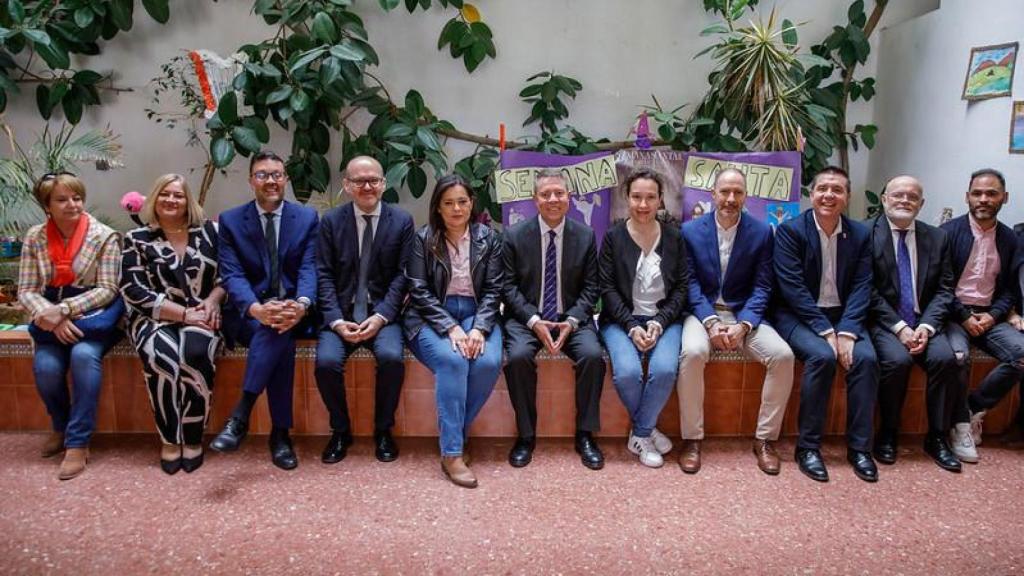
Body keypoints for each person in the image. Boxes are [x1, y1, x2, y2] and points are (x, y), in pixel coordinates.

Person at [678, 168, 794, 475]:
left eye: (737, 193)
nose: (731, 199)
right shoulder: (689, 232)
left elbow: (764, 285)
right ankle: (691, 439)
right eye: (725, 192)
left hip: (744, 314)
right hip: (702, 312)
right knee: (692, 353)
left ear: (746, 196)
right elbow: (689, 284)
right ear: (713, 194)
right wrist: (711, 323)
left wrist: (744, 325)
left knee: (782, 356)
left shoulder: (761, 232)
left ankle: (765, 440)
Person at [209, 151, 319, 470]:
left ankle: (241, 415)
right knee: (274, 333)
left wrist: (301, 305)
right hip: (251, 314)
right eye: (262, 175)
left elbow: (310, 268)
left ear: (285, 179)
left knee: (278, 330)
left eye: (276, 175)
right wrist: (257, 309)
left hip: (295, 311)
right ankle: (280, 435)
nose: (270, 181)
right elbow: (231, 273)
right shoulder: (230, 221)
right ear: (251, 181)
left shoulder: (307, 218)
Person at [773, 166, 878, 483]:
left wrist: (846, 331)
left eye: (837, 190)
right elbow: (792, 289)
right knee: (822, 356)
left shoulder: (860, 234)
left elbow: (863, 285)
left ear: (848, 197)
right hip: (796, 315)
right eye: (823, 188)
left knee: (867, 359)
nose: (829, 195)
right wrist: (826, 331)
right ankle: (808, 448)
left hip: (843, 317)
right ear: (811, 193)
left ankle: (860, 449)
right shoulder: (791, 231)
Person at [17, 172, 123, 480]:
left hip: (92, 317)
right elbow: (26, 289)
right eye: (62, 200)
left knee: (82, 357)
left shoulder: (104, 235)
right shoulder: (35, 237)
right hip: (48, 316)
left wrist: (65, 310)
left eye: (76, 198)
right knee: (47, 368)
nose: (72, 205)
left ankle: (78, 442)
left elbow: (108, 288)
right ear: (47, 205)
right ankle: (60, 427)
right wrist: (50, 315)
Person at [120, 174, 226, 475]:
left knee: (195, 353)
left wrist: (214, 300)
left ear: (187, 200)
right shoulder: (136, 239)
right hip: (154, 317)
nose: (171, 200)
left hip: (204, 314)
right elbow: (133, 290)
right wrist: (182, 314)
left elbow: (227, 276)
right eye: (165, 194)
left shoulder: (209, 232)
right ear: (155, 198)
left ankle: (193, 437)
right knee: (161, 356)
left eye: (178, 195)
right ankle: (169, 439)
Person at [404, 175, 504, 487]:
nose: (456, 208)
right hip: (431, 315)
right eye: (448, 203)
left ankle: (455, 433)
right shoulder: (423, 239)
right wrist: (449, 327)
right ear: (437, 208)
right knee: (453, 361)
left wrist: (479, 328)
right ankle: (451, 453)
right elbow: (418, 290)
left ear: (472, 204)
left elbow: (494, 289)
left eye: (462, 201)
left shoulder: (489, 238)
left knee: (487, 362)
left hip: (477, 312)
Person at [502, 168, 606, 470]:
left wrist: (571, 320)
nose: (552, 199)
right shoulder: (514, 236)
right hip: (526, 319)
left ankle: (585, 435)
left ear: (569, 199)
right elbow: (507, 287)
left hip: (571, 319)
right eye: (545, 194)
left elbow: (592, 287)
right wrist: (534, 320)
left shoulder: (585, 236)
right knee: (518, 357)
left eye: (559, 193)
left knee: (592, 356)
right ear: (535, 200)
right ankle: (526, 436)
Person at [314, 156, 414, 464]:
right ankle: (341, 431)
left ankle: (383, 431)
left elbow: (403, 275)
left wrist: (382, 316)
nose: (367, 186)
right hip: (341, 315)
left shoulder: (402, 221)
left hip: (384, 315)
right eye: (359, 181)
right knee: (326, 363)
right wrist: (335, 321)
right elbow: (323, 273)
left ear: (384, 184)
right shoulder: (331, 222)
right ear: (346, 186)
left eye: (373, 180)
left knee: (392, 359)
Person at [868, 176, 963, 471]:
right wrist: (900, 327)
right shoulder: (864, 233)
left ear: (921, 205)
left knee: (946, 359)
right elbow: (866, 289)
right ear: (884, 199)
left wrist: (927, 327)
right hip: (885, 322)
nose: (904, 200)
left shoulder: (937, 238)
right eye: (897, 194)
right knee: (897, 362)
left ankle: (936, 436)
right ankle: (888, 432)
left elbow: (946, 289)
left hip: (925, 321)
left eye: (912, 197)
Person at [599, 169, 687, 469]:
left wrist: (660, 321)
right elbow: (607, 288)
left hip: (665, 320)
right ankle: (647, 431)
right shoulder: (613, 237)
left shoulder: (675, 237)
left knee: (663, 370)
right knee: (626, 373)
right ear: (627, 198)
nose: (643, 204)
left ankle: (639, 433)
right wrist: (632, 326)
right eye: (636, 197)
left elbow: (682, 288)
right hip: (620, 320)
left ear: (660, 200)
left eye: (650, 197)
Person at [942, 168, 1024, 455]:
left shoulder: (1011, 239)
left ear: (1004, 197)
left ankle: (971, 409)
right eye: (977, 193)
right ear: (967, 197)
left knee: (1022, 356)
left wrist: (993, 315)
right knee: (958, 357)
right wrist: (964, 316)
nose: (984, 199)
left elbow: (1012, 288)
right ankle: (960, 427)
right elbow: (938, 285)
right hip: (953, 316)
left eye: (991, 193)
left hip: (991, 316)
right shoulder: (947, 234)